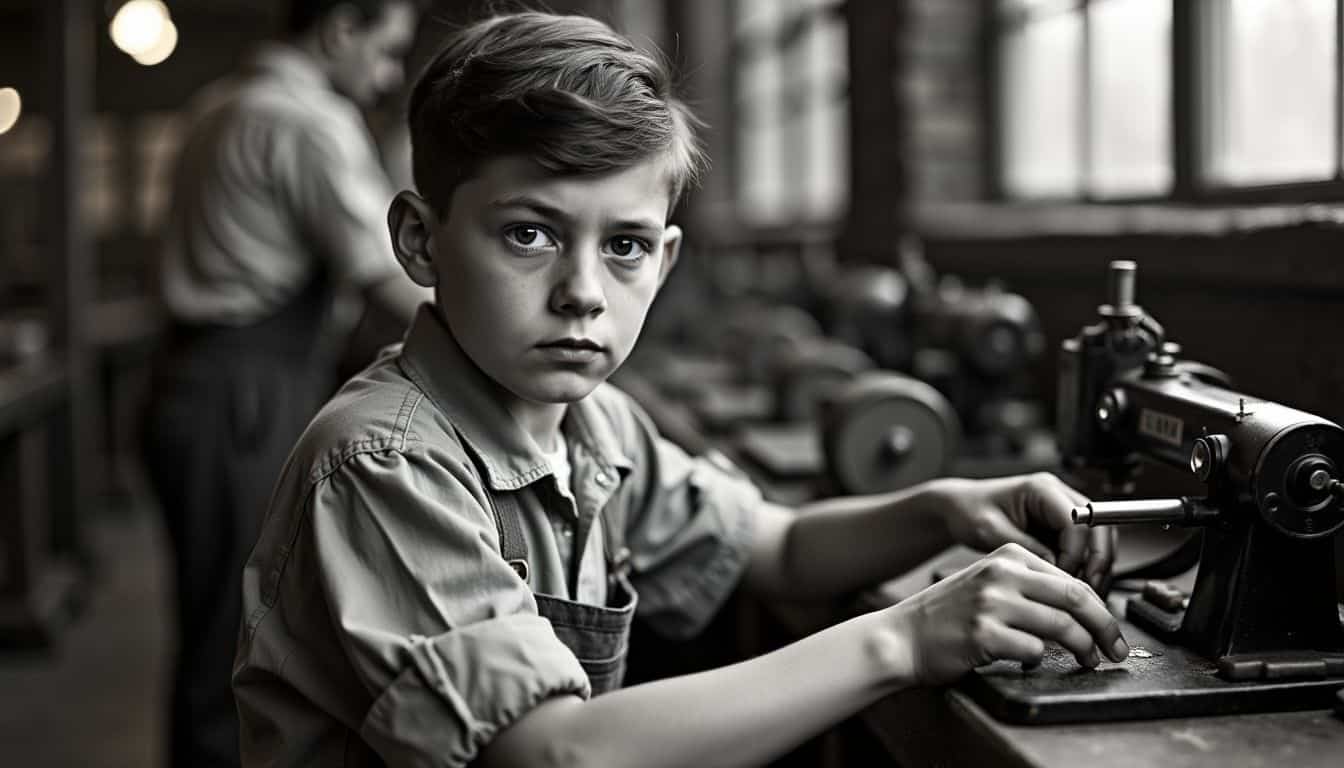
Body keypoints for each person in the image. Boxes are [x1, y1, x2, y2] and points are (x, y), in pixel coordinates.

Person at [232, 11, 1126, 767]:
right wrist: (906, 637)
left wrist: (942, 509)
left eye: (622, 246)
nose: (583, 291)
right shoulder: (383, 466)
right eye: (530, 236)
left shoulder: (590, 425)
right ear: (422, 242)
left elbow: (770, 546)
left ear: (661, 263)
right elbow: (554, 752)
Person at [142, 1, 428, 765]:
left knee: (209, 619)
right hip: (245, 392)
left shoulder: (217, 106)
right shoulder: (305, 119)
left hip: (189, 379)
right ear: (340, 29)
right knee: (241, 635)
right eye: (385, 48)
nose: (388, 72)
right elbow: (386, 275)